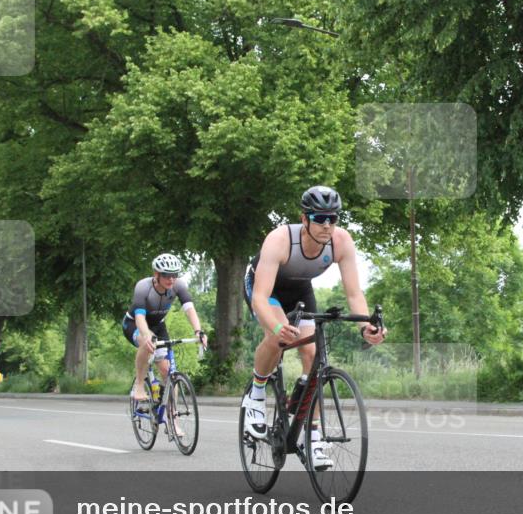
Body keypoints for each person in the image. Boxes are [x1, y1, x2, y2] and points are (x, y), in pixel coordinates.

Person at [242, 186, 386, 468]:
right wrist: (275, 326)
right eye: (319, 218)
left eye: (333, 218)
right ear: (304, 219)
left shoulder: (341, 242)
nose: (327, 225)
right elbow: (260, 297)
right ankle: (256, 393)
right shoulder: (281, 239)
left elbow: (354, 294)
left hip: (300, 292)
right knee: (280, 336)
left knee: (313, 357)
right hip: (265, 288)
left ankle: (313, 437)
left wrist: (366, 325)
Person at [122, 253, 208, 432]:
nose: (171, 279)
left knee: (168, 371)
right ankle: (139, 384)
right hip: (134, 323)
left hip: (158, 326)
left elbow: (189, 308)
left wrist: (198, 331)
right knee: (146, 343)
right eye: (167, 275)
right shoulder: (143, 287)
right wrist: (146, 335)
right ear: (156, 274)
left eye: (174, 275)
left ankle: (171, 418)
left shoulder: (178, 286)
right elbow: (139, 317)